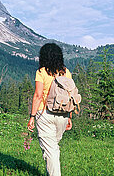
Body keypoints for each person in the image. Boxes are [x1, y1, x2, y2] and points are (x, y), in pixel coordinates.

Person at [27, 43, 73, 176]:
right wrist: (69, 116)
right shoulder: (66, 72)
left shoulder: (41, 72)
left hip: (45, 113)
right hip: (62, 114)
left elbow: (38, 95)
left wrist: (32, 116)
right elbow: (69, 95)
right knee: (53, 147)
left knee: (51, 150)